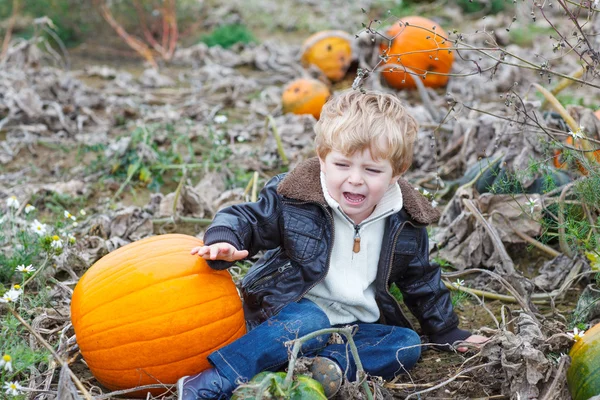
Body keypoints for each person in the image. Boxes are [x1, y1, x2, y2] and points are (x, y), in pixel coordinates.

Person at [178, 89, 487, 400]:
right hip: (287, 313)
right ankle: (217, 379)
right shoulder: (296, 198)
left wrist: (445, 331)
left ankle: (324, 369)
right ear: (322, 160)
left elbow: (421, 279)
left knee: (406, 344)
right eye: (343, 165)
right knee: (311, 320)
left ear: (396, 173)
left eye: (372, 170)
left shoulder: (405, 220)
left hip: (350, 330)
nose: (355, 179)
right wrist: (225, 240)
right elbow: (249, 219)